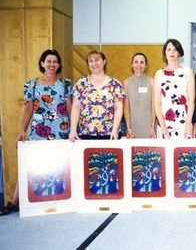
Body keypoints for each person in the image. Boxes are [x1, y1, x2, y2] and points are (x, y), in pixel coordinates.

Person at [1, 49, 72, 215]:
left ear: (59, 64)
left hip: (61, 131)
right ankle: (14, 202)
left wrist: (73, 130)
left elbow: (70, 107)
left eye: (55, 62)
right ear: (42, 63)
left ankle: (60, 199)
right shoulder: (31, 84)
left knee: (62, 166)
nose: (52, 64)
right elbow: (27, 109)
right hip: (38, 132)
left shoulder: (65, 83)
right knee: (29, 166)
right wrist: (21, 131)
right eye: (48, 61)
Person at [69, 50, 125, 141]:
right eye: (90, 61)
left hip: (109, 134)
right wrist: (73, 130)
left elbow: (118, 108)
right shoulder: (81, 83)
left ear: (104, 61)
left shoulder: (115, 84)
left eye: (97, 60)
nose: (94, 63)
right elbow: (76, 107)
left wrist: (115, 130)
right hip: (85, 133)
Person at [154, 39, 195, 139]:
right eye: (168, 49)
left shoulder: (187, 72)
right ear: (165, 53)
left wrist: (188, 125)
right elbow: (157, 103)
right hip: (165, 124)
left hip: (184, 123)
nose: (172, 52)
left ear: (179, 53)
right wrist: (163, 127)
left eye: (175, 49)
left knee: (184, 154)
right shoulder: (159, 74)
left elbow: (191, 101)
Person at [123, 53, 156, 138]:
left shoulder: (152, 82)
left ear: (146, 65)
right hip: (133, 128)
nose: (139, 65)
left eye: (142, 62)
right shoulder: (126, 83)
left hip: (149, 128)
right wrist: (128, 127)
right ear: (132, 64)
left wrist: (152, 126)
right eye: (136, 62)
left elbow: (153, 106)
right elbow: (126, 107)